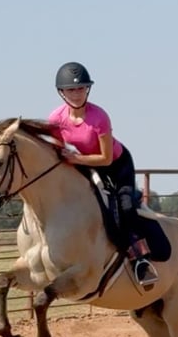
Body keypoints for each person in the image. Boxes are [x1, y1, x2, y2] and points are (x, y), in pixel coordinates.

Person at [48, 61, 158, 286]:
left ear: (87, 89)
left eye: (81, 88)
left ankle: (141, 260)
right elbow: (57, 152)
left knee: (125, 207)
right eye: (71, 89)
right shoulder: (56, 119)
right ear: (62, 92)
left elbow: (105, 158)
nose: (76, 94)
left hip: (116, 165)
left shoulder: (99, 117)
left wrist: (76, 159)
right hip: (83, 166)